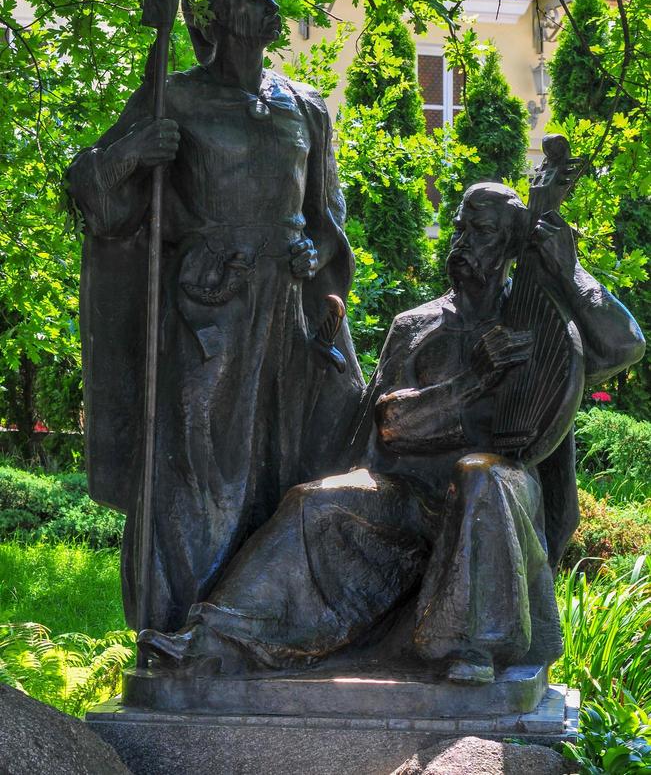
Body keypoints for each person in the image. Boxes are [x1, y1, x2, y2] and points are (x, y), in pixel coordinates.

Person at [139, 182, 645, 682]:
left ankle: (471, 648)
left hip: (499, 495)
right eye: (460, 229)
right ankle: (216, 638)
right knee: (312, 501)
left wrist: (571, 272)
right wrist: (472, 382)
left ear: (514, 246)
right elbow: (392, 424)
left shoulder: (540, 324)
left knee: (480, 474)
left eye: (483, 232)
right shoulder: (416, 325)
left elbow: (625, 347)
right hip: (408, 494)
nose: (463, 243)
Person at [68, 0, 363, 633]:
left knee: (298, 461)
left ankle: (269, 622)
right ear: (213, 17)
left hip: (290, 308)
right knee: (198, 468)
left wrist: (314, 254)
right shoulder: (172, 97)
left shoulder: (305, 105)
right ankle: (183, 628)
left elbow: (326, 213)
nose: (273, 10)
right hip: (211, 303)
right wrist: (129, 155)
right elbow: (98, 200)